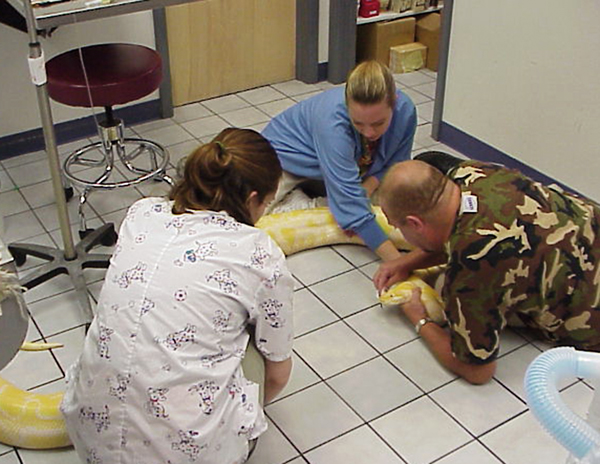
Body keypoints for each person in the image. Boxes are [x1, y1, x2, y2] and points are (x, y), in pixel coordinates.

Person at [61, 128, 294, 464]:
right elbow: (277, 374)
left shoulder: (142, 213)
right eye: (267, 203)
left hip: (89, 441)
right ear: (252, 198)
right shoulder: (259, 254)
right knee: (260, 343)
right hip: (188, 455)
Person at [374, 158, 600, 385]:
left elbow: (478, 372)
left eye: (397, 226)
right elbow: (466, 232)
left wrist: (420, 320)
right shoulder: (472, 172)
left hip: (593, 321)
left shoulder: (469, 272)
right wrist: (406, 263)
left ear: (414, 224)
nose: (398, 231)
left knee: (444, 286)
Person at [262, 60, 417, 264]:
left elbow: (396, 165)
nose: (370, 132)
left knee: (398, 198)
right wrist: (397, 262)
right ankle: (310, 202)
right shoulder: (331, 123)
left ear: (394, 102)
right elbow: (352, 205)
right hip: (284, 158)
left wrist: (368, 186)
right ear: (347, 105)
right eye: (358, 123)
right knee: (251, 212)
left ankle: (322, 199)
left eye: (379, 123)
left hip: (346, 163)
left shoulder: (406, 112)